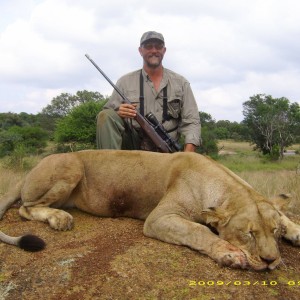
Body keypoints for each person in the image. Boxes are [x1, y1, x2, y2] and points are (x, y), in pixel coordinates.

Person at [96, 31, 201, 152]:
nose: (154, 50)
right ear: (140, 51)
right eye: (148, 46)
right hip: (135, 146)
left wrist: (186, 157)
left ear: (164, 50)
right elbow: (108, 117)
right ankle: (110, 168)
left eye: (158, 46)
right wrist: (118, 112)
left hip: (168, 149)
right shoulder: (124, 82)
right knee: (105, 115)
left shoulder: (181, 83)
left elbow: (192, 122)